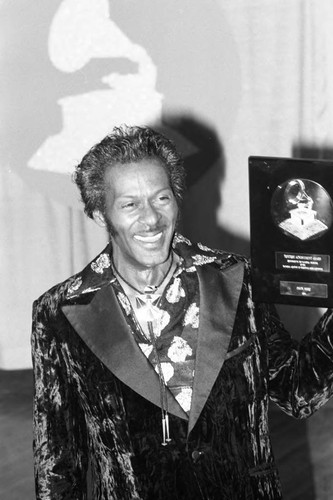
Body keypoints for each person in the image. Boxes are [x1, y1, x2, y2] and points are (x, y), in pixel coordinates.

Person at [31, 125, 333, 500]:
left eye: (161, 199)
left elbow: (297, 390)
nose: (151, 219)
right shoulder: (60, 313)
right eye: (129, 204)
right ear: (99, 214)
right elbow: (59, 465)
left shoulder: (237, 281)